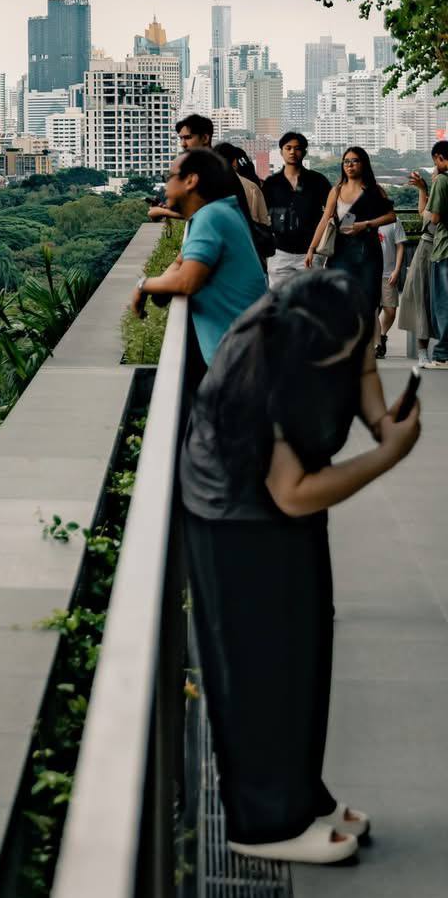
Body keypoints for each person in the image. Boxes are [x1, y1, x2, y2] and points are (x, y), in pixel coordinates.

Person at [179, 269, 421, 863]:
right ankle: (262, 824)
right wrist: (387, 454)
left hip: (279, 516)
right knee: (261, 670)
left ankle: (302, 797)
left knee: (305, 652)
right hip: (233, 519)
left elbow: (360, 362)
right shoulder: (268, 372)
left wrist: (381, 420)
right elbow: (292, 491)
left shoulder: (332, 304)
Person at [130, 148, 268, 367]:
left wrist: (143, 285)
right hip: (248, 353)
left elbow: (187, 281)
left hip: (242, 363)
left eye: (169, 177)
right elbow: (180, 263)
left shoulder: (211, 218)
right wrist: (159, 288)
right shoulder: (218, 212)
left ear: (190, 181)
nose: (165, 186)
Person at [304, 146, 396, 315]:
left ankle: (369, 340)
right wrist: (311, 249)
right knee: (340, 299)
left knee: (368, 301)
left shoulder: (374, 190)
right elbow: (325, 219)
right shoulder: (337, 190)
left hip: (368, 253)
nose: (350, 165)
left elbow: (391, 216)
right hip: (341, 252)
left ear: (363, 164)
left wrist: (366, 224)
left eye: (355, 161)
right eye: (346, 161)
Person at [262, 132, 333, 289]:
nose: (292, 152)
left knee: (311, 303)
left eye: (297, 148)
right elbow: (261, 216)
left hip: (310, 252)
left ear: (304, 152)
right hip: (279, 252)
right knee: (279, 303)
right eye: (288, 148)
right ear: (281, 151)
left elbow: (331, 212)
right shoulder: (271, 183)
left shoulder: (317, 181)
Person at [399, 168, 437, 363]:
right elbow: (423, 213)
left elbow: (432, 218)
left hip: (435, 248)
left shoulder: (441, 195)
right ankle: (423, 352)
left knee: (429, 297)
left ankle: (428, 352)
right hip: (426, 247)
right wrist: (423, 190)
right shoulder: (435, 195)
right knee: (421, 295)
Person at [423, 139, 448, 371]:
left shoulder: (441, 180)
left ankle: (442, 355)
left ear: (439, 158)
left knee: (443, 304)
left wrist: (432, 184)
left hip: (444, 249)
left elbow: (434, 217)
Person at [376, 213, 405, 358]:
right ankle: (377, 344)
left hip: (388, 273)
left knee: (390, 310)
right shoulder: (363, 217)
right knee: (371, 311)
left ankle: (382, 336)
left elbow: (400, 246)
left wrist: (397, 270)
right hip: (370, 272)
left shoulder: (394, 220)